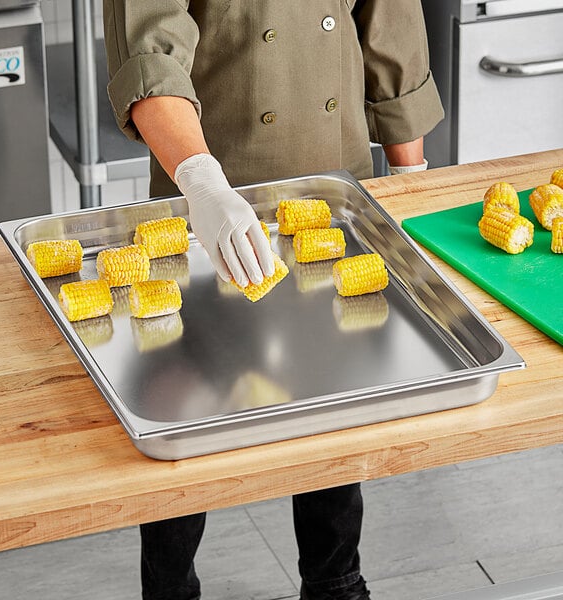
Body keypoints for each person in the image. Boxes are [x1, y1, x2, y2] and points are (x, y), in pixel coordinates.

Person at [103, 2, 444, 599]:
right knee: (185, 411)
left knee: (336, 395)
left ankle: (336, 582)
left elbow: (390, 20)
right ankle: (169, 591)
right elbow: (149, 52)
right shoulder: (206, 185)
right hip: (211, 182)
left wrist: (412, 179)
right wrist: (203, 184)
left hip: (333, 182)